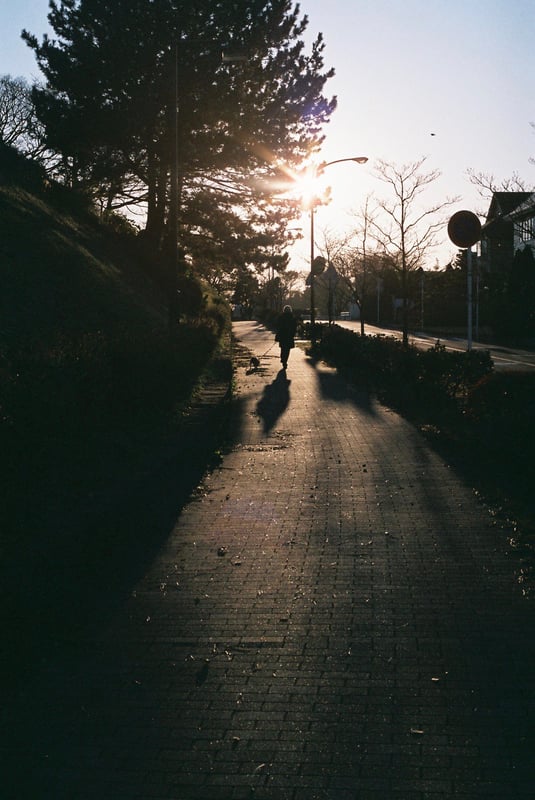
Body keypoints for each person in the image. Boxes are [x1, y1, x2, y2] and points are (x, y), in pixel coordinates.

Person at [275, 305, 297, 370]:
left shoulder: (281, 317)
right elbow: (294, 326)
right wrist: (293, 333)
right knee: (287, 350)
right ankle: (285, 361)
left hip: (283, 335)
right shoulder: (292, 317)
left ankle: (282, 359)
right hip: (289, 336)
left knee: (283, 348)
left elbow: (278, 326)